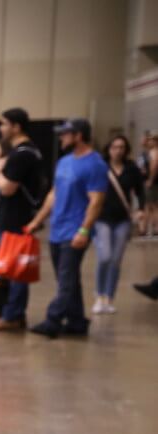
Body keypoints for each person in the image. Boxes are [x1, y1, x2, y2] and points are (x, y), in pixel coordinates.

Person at [26, 118, 106, 337]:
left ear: (78, 136)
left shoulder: (95, 164)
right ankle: (77, 321)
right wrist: (37, 221)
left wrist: (84, 230)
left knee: (66, 280)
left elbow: (96, 201)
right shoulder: (64, 162)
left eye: (65, 133)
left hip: (75, 231)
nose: (61, 137)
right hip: (57, 229)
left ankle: (52, 320)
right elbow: (54, 194)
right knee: (68, 279)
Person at [0, 108, 46, 333]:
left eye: (4, 124)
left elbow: (7, 188)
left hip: (16, 219)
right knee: (11, 268)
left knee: (16, 269)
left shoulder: (22, 154)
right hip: (13, 217)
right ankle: (10, 312)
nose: (0, 129)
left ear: (16, 127)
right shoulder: (27, 152)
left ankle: (12, 315)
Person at [92, 134, 145, 314]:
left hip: (123, 219)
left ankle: (109, 297)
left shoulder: (132, 169)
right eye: (115, 147)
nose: (118, 151)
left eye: (122, 147)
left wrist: (141, 209)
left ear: (126, 149)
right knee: (104, 256)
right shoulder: (101, 167)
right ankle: (99, 295)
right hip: (102, 218)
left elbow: (140, 190)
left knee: (115, 260)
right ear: (109, 149)